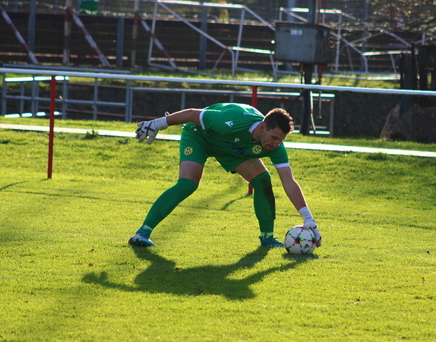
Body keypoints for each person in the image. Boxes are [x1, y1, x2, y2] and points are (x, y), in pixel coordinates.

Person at [129, 103, 322, 249]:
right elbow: (192, 114)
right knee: (188, 184)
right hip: (200, 137)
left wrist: (309, 219)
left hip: (231, 148)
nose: (277, 144)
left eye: (281, 140)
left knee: (263, 180)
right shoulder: (232, 120)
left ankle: (267, 238)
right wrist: (157, 124)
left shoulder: (275, 146)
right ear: (263, 128)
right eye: (274, 138)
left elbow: (289, 182)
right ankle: (142, 232)